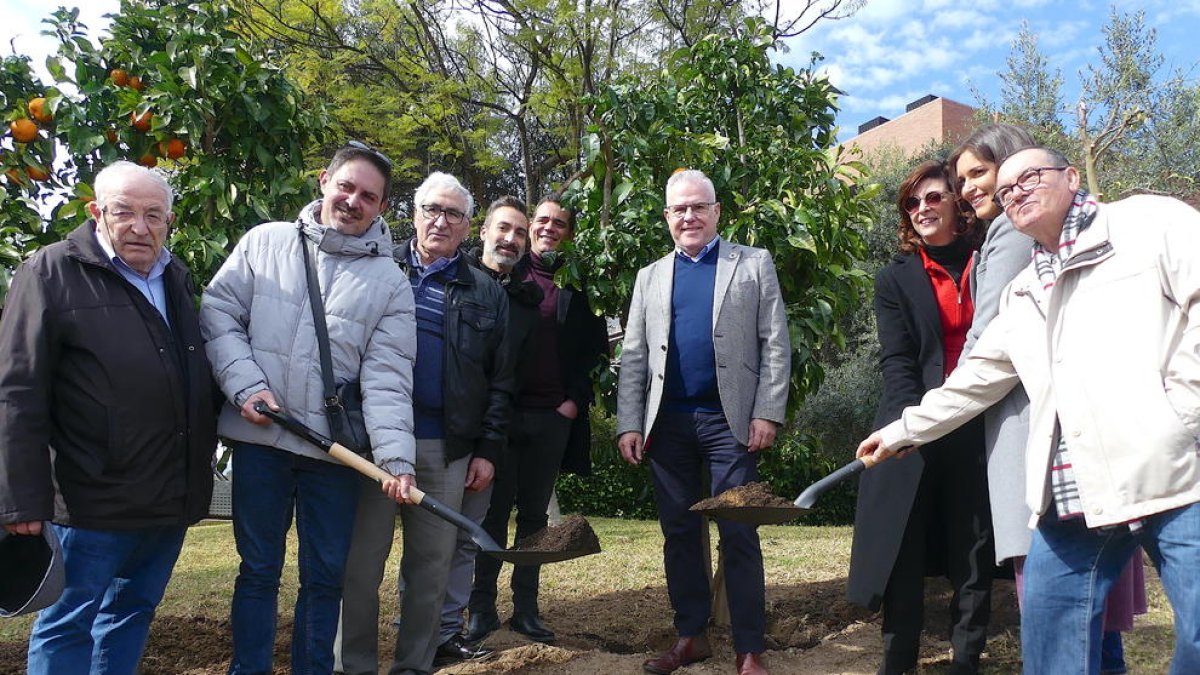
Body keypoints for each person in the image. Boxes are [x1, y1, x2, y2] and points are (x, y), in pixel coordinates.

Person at [857, 146, 1200, 675]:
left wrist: (1185, 416)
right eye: (1006, 190)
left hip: (1174, 474)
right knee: (1052, 650)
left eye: (1030, 177)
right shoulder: (1024, 291)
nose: (1015, 193)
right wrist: (903, 430)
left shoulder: (1149, 223)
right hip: (1069, 495)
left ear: (1071, 177)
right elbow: (977, 377)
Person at [201, 142, 416, 674]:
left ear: (383, 207)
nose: (353, 201)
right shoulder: (265, 243)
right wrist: (245, 386)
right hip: (262, 441)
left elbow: (388, 378)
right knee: (258, 571)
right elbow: (218, 315)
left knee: (324, 580)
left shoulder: (391, 282)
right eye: (346, 186)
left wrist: (396, 461)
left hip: (335, 456)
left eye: (368, 196)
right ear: (324, 181)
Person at [0, 161, 218, 674]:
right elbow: (16, 391)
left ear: (169, 221)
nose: (140, 227)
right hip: (89, 499)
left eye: (154, 215)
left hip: (167, 497)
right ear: (96, 212)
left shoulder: (174, 276)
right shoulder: (51, 272)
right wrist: (20, 499)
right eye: (124, 212)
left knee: (131, 612)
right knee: (67, 623)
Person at [949, 124, 1145, 674]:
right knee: (1088, 616)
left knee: (1062, 602)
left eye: (979, 173)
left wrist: (942, 412)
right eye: (962, 179)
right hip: (1045, 429)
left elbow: (988, 339)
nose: (968, 188)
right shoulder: (1018, 239)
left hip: (1035, 431)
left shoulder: (1015, 235)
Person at [337, 171, 514, 675]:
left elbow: (501, 383)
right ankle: (353, 667)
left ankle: (413, 666)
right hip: (371, 443)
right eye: (432, 209)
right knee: (360, 565)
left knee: (432, 569)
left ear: (467, 226)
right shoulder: (376, 268)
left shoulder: (487, 292)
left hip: (446, 448)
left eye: (453, 213)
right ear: (413, 214)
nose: (441, 221)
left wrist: (487, 450)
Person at [616, 169, 790, 675]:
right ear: (667, 216)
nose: (689, 216)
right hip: (667, 425)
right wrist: (629, 422)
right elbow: (634, 355)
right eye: (679, 209)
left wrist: (766, 411)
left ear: (716, 211)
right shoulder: (649, 276)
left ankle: (749, 648)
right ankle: (691, 636)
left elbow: (775, 343)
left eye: (698, 206)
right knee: (679, 534)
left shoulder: (753, 263)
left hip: (729, 425)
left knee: (739, 533)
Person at [847, 160, 992, 675]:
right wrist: (909, 428)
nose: (922, 209)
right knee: (902, 547)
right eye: (912, 203)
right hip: (915, 420)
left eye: (933, 198)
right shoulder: (895, 278)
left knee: (973, 547)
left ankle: (966, 660)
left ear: (958, 202)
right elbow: (897, 361)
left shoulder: (991, 259)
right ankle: (898, 660)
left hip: (982, 420)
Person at [465, 195, 610, 646]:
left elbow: (594, 352)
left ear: (569, 233)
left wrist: (573, 402)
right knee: (492, 515)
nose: (549, 228)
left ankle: (526, 609)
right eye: (542, 220)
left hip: (551, 418)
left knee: (534, 517)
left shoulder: (578, 285)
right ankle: (481, 609)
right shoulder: (509, 273)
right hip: (501, 418)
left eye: (559, 223)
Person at [433, 195, 536, 666]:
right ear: (482, 231)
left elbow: (504, 379)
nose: (510, 239)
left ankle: (446, 631)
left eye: (519, 232)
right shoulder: (451, 279)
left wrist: (490, 445)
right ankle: (420, 627)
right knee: (430, 543)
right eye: (503, 228)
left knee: (464, 541)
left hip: (484, 438)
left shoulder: (523, 297)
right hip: (435, 433)